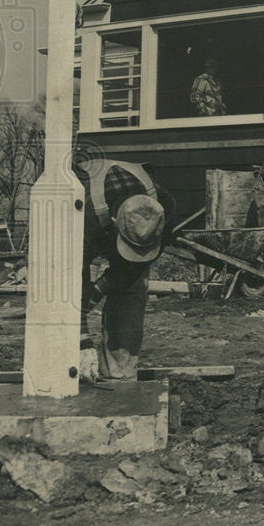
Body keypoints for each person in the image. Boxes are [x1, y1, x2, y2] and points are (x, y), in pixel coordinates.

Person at [75, 158, 176, 383]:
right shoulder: (88, 209)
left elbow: (136, 265)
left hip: (106, 225)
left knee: (132, 293)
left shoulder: (163, 207)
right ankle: (70, 370)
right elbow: (73, 274)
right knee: (66, 303)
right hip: (78, 226)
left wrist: (103, 286)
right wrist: (81, 338)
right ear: (114, 221)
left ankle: (120, 375)